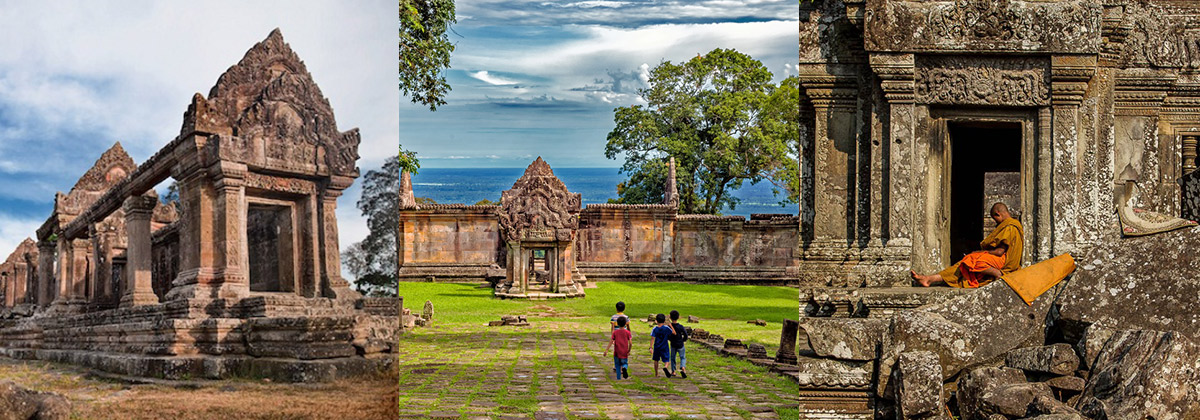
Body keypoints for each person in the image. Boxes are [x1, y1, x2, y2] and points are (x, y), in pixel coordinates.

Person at [912, 202, 1024, 287]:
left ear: (997, 214)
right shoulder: (1013, 225)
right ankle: (930, 278)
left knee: (973, 261)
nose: (996, 223)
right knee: (966, 262)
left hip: (1004, 261)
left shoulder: (1010, 226)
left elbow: (1000, 252)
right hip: (1001, 258)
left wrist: (979, 252)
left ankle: (998, 274)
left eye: (995, 219)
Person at [650, 313, 676, 377]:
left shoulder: (655, 329)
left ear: (656, 321)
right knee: (667, 359)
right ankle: (665, 367)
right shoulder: (666, 328)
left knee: (656, 360)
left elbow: (652, 338)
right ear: (664, 321)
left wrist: (651, 347)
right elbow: (674, 333)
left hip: (657, 347)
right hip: (664, 346)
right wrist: (671, 326)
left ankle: (656, 373)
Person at [667, 310, 688, 379]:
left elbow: (668, 335)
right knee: (682, 357)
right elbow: (686, 335)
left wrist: (670, 339)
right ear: (678, 317)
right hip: (680, 344)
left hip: (673, 344)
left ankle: (673, 371)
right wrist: (683, 340)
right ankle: (683, 367)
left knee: (673, 358)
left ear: (670, 317)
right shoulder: (680, 327)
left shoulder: (669, 327)